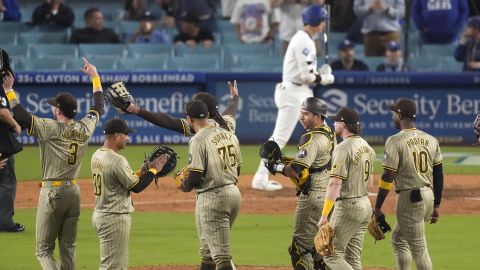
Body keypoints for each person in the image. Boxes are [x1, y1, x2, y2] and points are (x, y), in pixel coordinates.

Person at [3, 58, 104, 269]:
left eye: (54, 107)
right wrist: (95, 77)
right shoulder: (85, 128)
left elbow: (22, 117)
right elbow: (98, 107)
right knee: (68, 248)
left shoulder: (50, 128)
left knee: (43, 250)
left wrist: (9, 90)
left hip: (52, 193)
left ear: (59, 111)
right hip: (74, 192)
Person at [251, 4, 335, 191]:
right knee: (280, 137)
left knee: (324, 132)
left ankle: (332, 175)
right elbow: (306, 76)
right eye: (322, 21)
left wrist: (318, 73)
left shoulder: (303, 39)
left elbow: (307, 73)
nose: (323, 25)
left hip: (300, 91)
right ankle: (260, 177)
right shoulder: (304, 40)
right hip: (294, 93)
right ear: (316, 21)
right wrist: (325, 77)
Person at [261, 97, 335, 269]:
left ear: (318, 116)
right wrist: (286, 161)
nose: (301, 117)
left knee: (299, 249)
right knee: (317, 250)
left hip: (313, 198)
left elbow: (297, 171)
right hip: (328, 197)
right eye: (301, 113)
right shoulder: (329, 131)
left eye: (306, 113)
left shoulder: (310, 138)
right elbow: (314, 162)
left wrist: (275, 166)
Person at [374, 98, 444, 270]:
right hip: (427, 196)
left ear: (399, 115)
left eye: (393, 114)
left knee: (419, 248)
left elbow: (388, 175)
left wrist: (377, 207)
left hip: (409, 198)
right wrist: (436, 204)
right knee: (398, 240)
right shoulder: (431, 139)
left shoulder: (394, 141)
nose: (392, 117)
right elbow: (438, 174)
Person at [91, 118, 167, 270]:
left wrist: (141, 172)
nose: (127, 138)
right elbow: (137, 187)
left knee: (115, 264)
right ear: (116, 135)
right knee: (113, 267)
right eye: (125, 134)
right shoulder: (117, 160)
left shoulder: (97, 154)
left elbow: (120, 177)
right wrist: (153, 170)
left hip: (101, 214)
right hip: (114, 218)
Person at [178, 100, 242, 270]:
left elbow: (195, 179)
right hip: (234, 194)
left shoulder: (198, 140)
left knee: (222, 257)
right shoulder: (229, 134)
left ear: (189, 119)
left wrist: (184, 185)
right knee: (207, 252)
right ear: (207, 115)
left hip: (213, 199)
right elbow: (239, 170)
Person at [317, 107, 375, 270]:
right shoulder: (366, 146)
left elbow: (335, 183)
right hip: (365, 205)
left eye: (336, 121)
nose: (334, 123)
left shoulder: (343, 148)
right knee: (352, 257)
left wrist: (324, 214)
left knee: (331, 255)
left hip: (348, 207)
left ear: (342, 125)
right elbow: (370, 181)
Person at [127, 81, 240, 145]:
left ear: (205, 111)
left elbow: (167, 121)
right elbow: (232, 108)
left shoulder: (201, 125)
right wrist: (235, 97)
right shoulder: (227, 121)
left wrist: (138, 111)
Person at [0, 49, 23, 232]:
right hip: (2, 139)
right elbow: (2, 111)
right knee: (7, 181)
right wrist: (15, 125)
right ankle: (5, 222)